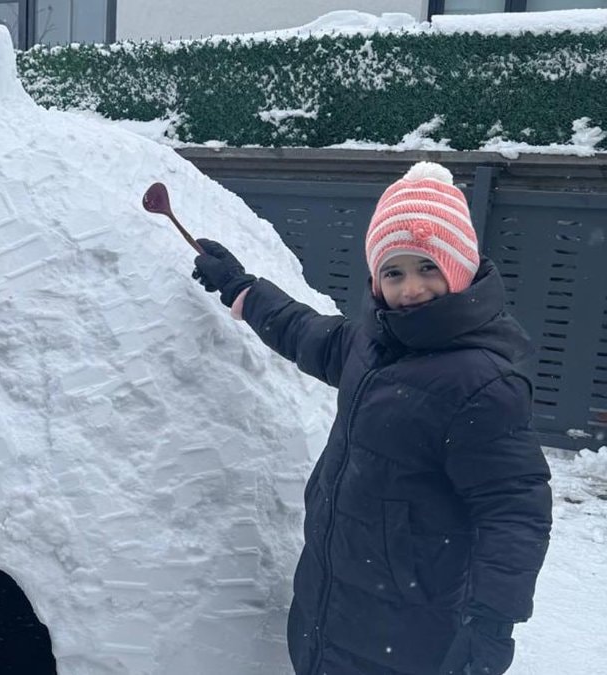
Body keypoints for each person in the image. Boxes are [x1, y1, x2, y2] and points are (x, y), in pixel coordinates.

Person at [190, 161, 552, 675]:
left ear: (461, 268)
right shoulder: (371, 343)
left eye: (429, 267)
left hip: (408, 625)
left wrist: (492, 624)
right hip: (330, 597)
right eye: (394, 271)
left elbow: (515, 510)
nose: (411, 289)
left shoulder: (482, 382)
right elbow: (303, 332)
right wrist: (241, 288)